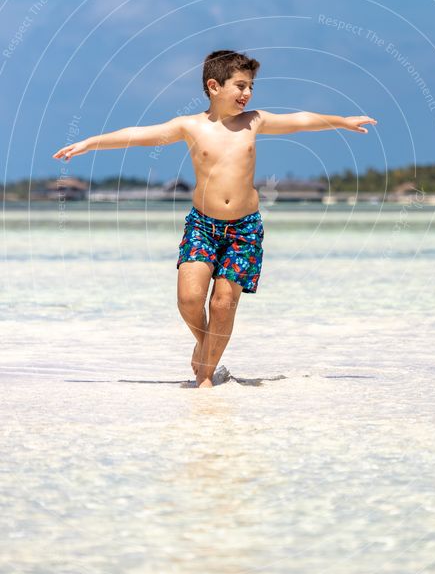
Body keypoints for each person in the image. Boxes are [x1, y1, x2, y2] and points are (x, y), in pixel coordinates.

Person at [52, 49, 377, 388]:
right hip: (203, 225)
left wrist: (342, 121)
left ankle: (205, 379)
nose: (247, 93)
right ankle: (204, 345)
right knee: (190, 299)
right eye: (240, 85)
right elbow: (137, 134)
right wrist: (89, 143)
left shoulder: (255, 121)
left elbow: (300, 120)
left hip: (244, 228)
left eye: (250, 86)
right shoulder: (189, 126)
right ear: (214, 86)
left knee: (223, 303)